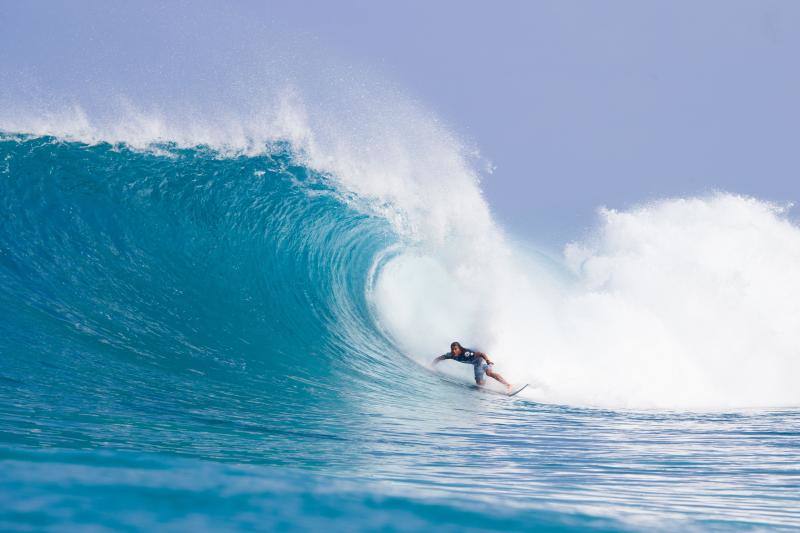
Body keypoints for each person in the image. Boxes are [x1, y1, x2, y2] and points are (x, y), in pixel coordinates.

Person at [432, 341, 511, 391]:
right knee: (479, 383)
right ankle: (489, 383)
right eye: (452, 349)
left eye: (455, 349)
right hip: (476, 365)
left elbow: (481, 354)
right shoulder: (451, 355)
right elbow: (440, 358)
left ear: (459, 348)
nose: (454, 351)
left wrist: (488, 361)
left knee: (489, 373)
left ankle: (508, 385)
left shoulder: (467, 353)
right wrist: (432, 365)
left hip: (480, 361)